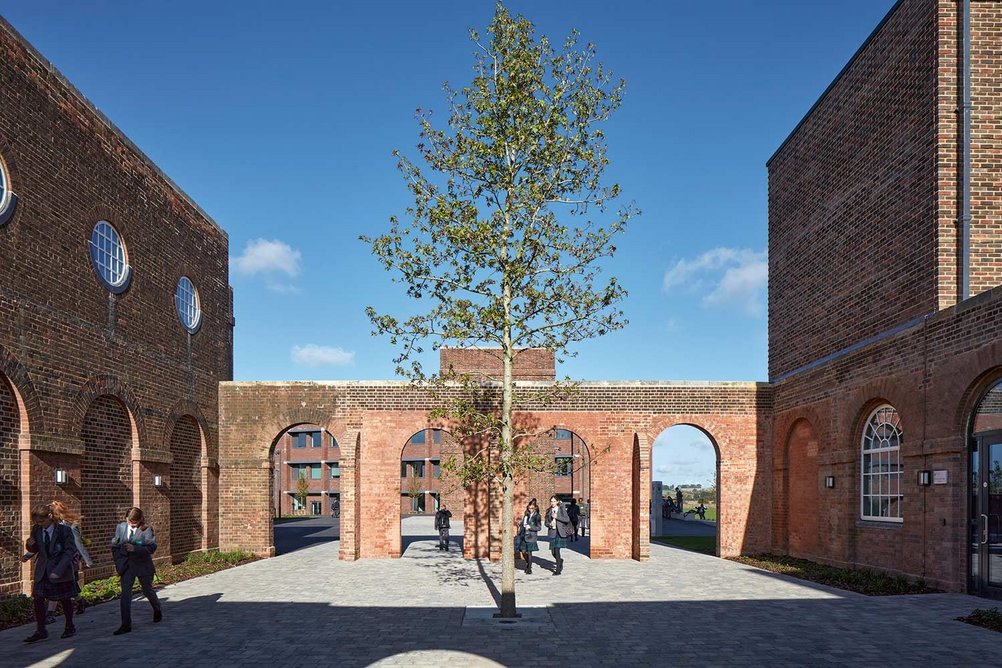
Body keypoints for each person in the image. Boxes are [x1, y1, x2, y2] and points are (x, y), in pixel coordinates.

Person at [21, 503, 79, 643]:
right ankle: (41, 630)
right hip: (43, 570)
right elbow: (36, 547)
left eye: (42, 521)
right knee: (38, 600)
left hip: (60, 570)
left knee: (65, 599)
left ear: (50, 517)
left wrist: (58, 571)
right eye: (37, 522)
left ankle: (69, 626)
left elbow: (69, 552)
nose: (40, 524)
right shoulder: (37, 529)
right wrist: (29, 547)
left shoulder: (64, 531)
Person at [110, 507, 162, 635]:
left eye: (134, 522)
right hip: (127, 566)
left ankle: (157, 608)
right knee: (125, 595)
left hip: (142, 565)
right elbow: (114, 544)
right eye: (129, 521)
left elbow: (152, 547)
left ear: (140, 520)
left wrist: (135, 548)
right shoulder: (121, 527)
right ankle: (126, 624)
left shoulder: (146, 530)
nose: (131, 524)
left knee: (147, 590)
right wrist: (118, 560)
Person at [47, 500, 93, 620]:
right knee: (65, 586)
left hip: (69, 563)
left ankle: (50, 614)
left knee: (64, 586)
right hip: (55, 563)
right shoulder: (49, 528)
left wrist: (87, 561)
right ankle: (80, 601)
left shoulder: (70, 527)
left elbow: (79, 544)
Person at [545, 496, 572, 575]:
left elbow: (567, 519)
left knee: (557, 550)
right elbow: (546, 523)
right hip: (552, 531)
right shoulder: (549, 511)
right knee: (553, 552)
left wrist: (557, 517)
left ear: (557, 502)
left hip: (560, 532)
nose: (552, 503)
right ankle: (560, 560)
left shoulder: (561, 509)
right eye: (551, 501)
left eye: (554, 501)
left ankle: (558, 569)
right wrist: (549, 524)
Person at [514, 498, 542, 573]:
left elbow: (539, 528)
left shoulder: (537, 516)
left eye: (532, 508)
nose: (530, 509)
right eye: (529, 508)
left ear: (535, 508)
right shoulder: (526, 515)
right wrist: (520, 524)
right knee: (523, 551)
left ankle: (529, 569)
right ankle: (528, 563)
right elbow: (524, 524)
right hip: (524, 535)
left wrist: (531, 527)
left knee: (529, 552)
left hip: (531, 536)